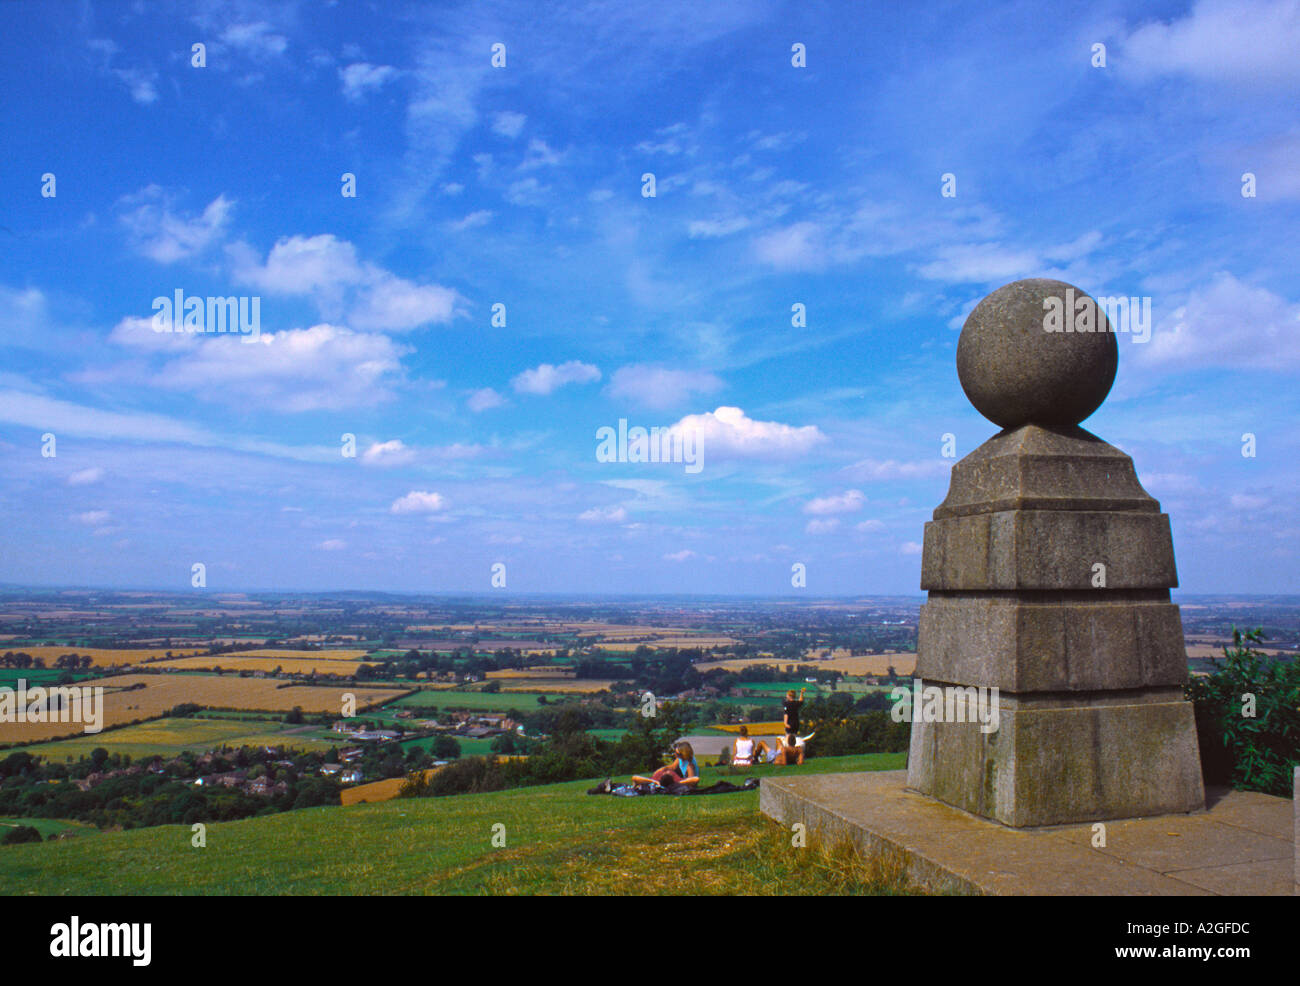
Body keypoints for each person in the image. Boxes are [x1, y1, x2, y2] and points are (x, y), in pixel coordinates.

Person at [630, 741, 701, 788]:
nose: (675, 754)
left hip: (680, 782)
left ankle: (662, 782)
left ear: (683, 754)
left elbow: (692, 781)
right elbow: (672, 767)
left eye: (677, 753)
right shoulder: (680, 759)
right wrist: (662, 770)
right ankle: (658, 782)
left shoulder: (690, 765)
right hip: (669, 781)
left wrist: (678, 783)